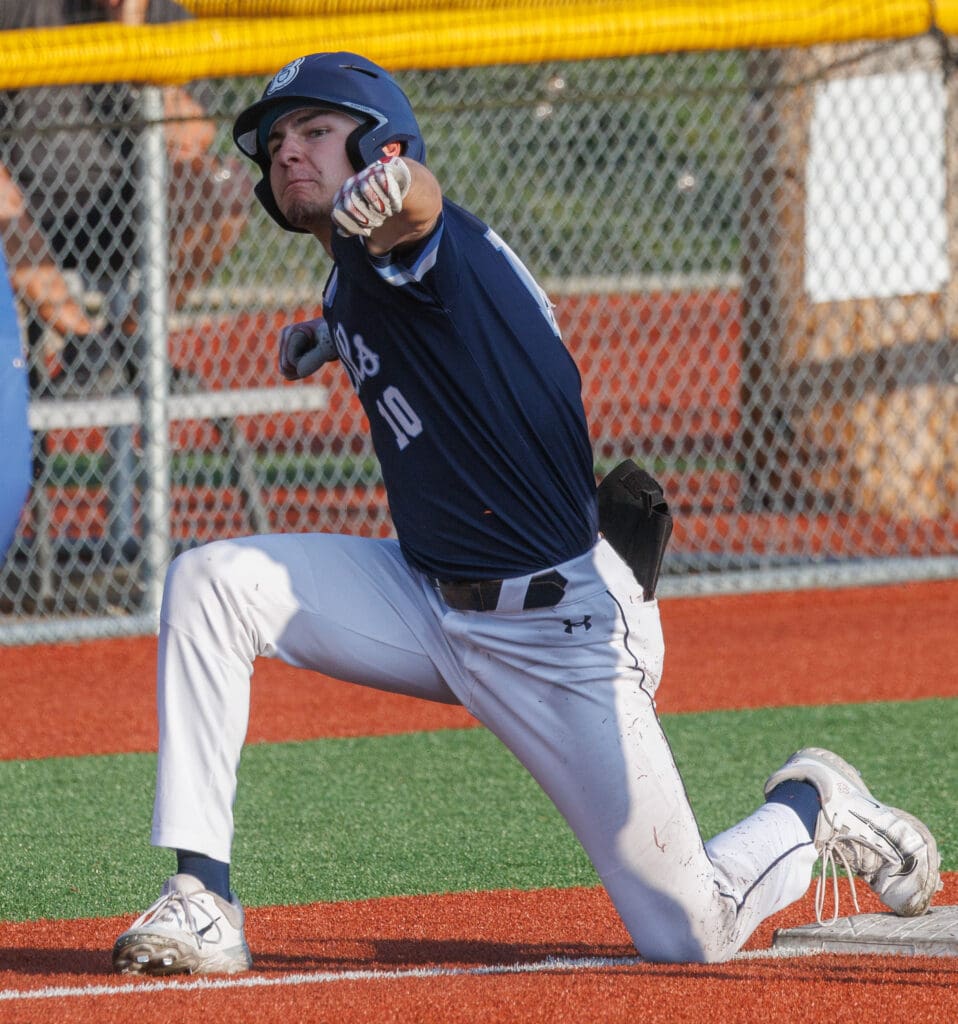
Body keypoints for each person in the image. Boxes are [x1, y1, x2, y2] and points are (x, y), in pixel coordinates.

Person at [111, 52, 942, 975]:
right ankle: (201, 899)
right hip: (427, 599)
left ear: (381, 142)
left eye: (314, 132)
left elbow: (416, 212)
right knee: (210, 582)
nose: (287, 156)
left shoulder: (415, 238)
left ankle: (813, 806)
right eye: (275, 146)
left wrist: (397, 186)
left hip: (564, 630)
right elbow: (425, 327)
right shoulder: (354, 278)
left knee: (688, 933)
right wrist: (331, 338)